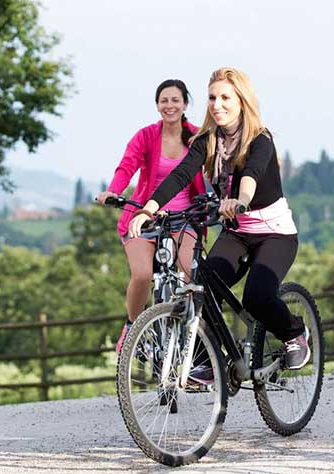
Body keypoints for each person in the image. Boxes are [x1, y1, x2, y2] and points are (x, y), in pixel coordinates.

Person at [129, 68, 310, 378]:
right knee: (202, 287)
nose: (217, 104)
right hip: (237, 233)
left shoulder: (259, 139)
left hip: (274, 234)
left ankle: (295, 333)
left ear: (241, 100)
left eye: (225, 97)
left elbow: (251, 175)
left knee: (257, 297)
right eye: (212, 97)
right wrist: (149, 209)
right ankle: (214, 361)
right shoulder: (207, 141)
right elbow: (182, 173)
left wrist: (240, 201)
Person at [95, 79, 207, 352]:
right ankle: (132, 326)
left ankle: (190, 333)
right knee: (143, 274)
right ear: (157, 105)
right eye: (163, 100)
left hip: (184, 219)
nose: (169, 105)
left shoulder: (196, 137)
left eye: (175, 100)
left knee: (190, 271)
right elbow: (127, 166)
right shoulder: (145, 136)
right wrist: (113, 191)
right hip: (144, 216)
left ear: (185, 104)